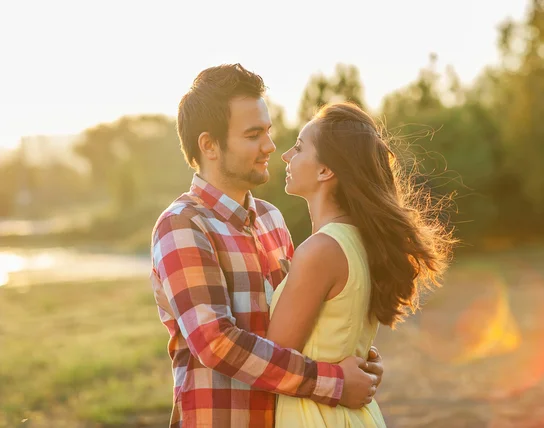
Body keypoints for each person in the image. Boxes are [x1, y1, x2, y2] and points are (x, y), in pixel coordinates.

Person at [150, 64, 383, 428]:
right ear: (209, 145)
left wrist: (360, 359)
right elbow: (215, 343)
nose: (270, 146)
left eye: (268, 131)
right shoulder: (182, 225)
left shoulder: (271, 219)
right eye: (253, 134)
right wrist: (334, 383)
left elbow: (304, 319)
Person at [266, 102, 455, 427]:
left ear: (326, 170)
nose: (285, 156)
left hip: (316, 416)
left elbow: (271, 360)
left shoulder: (321, 251)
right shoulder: (360, 242)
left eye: (298, 148)